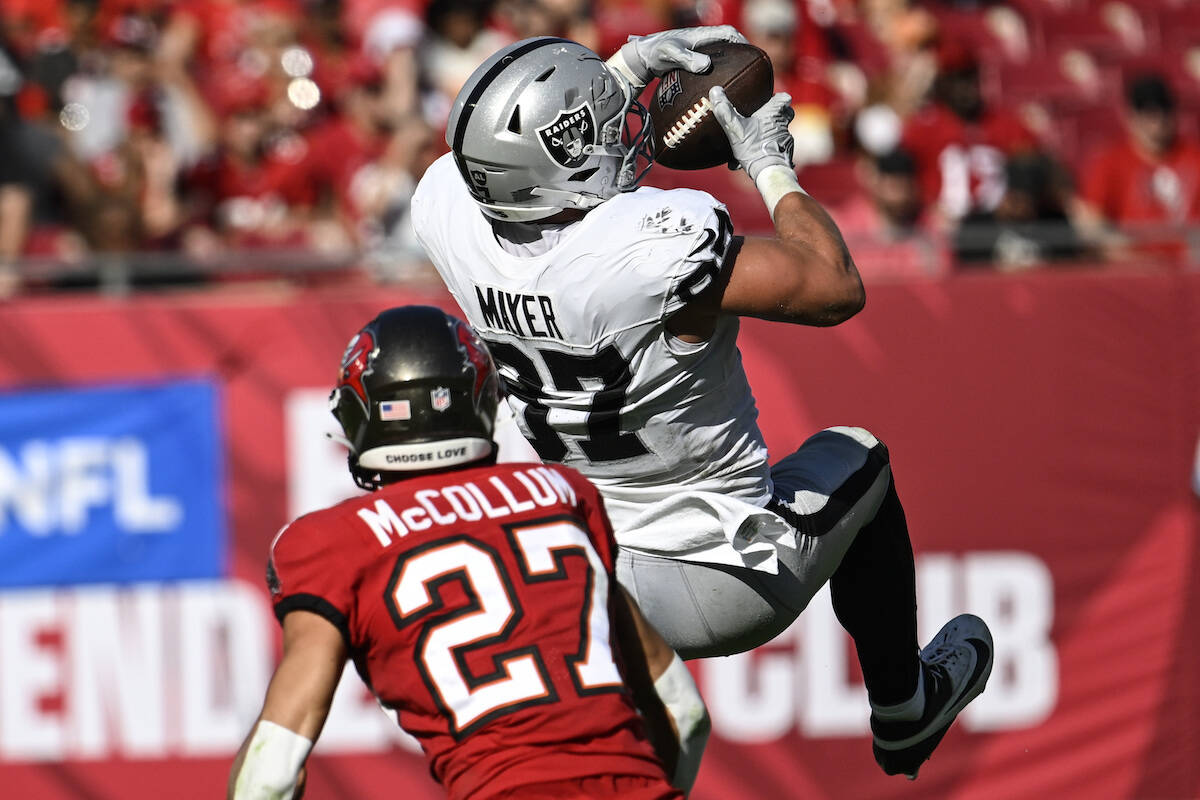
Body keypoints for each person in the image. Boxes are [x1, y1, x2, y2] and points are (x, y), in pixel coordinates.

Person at [410, 28, 993, 780]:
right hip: (714, 574)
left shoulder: (451, 214)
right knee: (863, 459)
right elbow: (834, 285)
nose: (619, 131)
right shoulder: (645, 248)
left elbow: (498, 168)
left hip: (571, 575)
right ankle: (905, 708)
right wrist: (771, 166)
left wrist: (622, 69)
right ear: (560, 156)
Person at [228, 306, 709, 800]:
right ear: (480, 399)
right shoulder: (560, 494)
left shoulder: (331, 542)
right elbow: (682, 711)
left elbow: (273, 774)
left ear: (361, 411)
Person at [1072, 73, 1200, 261]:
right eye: (1148, 112)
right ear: (1130, 116)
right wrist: (1132, 256)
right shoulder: (1110, 161)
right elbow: (1090, 222)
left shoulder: (1194, 156)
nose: (1157, 119)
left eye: (1164, 109)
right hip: (1135, 269)